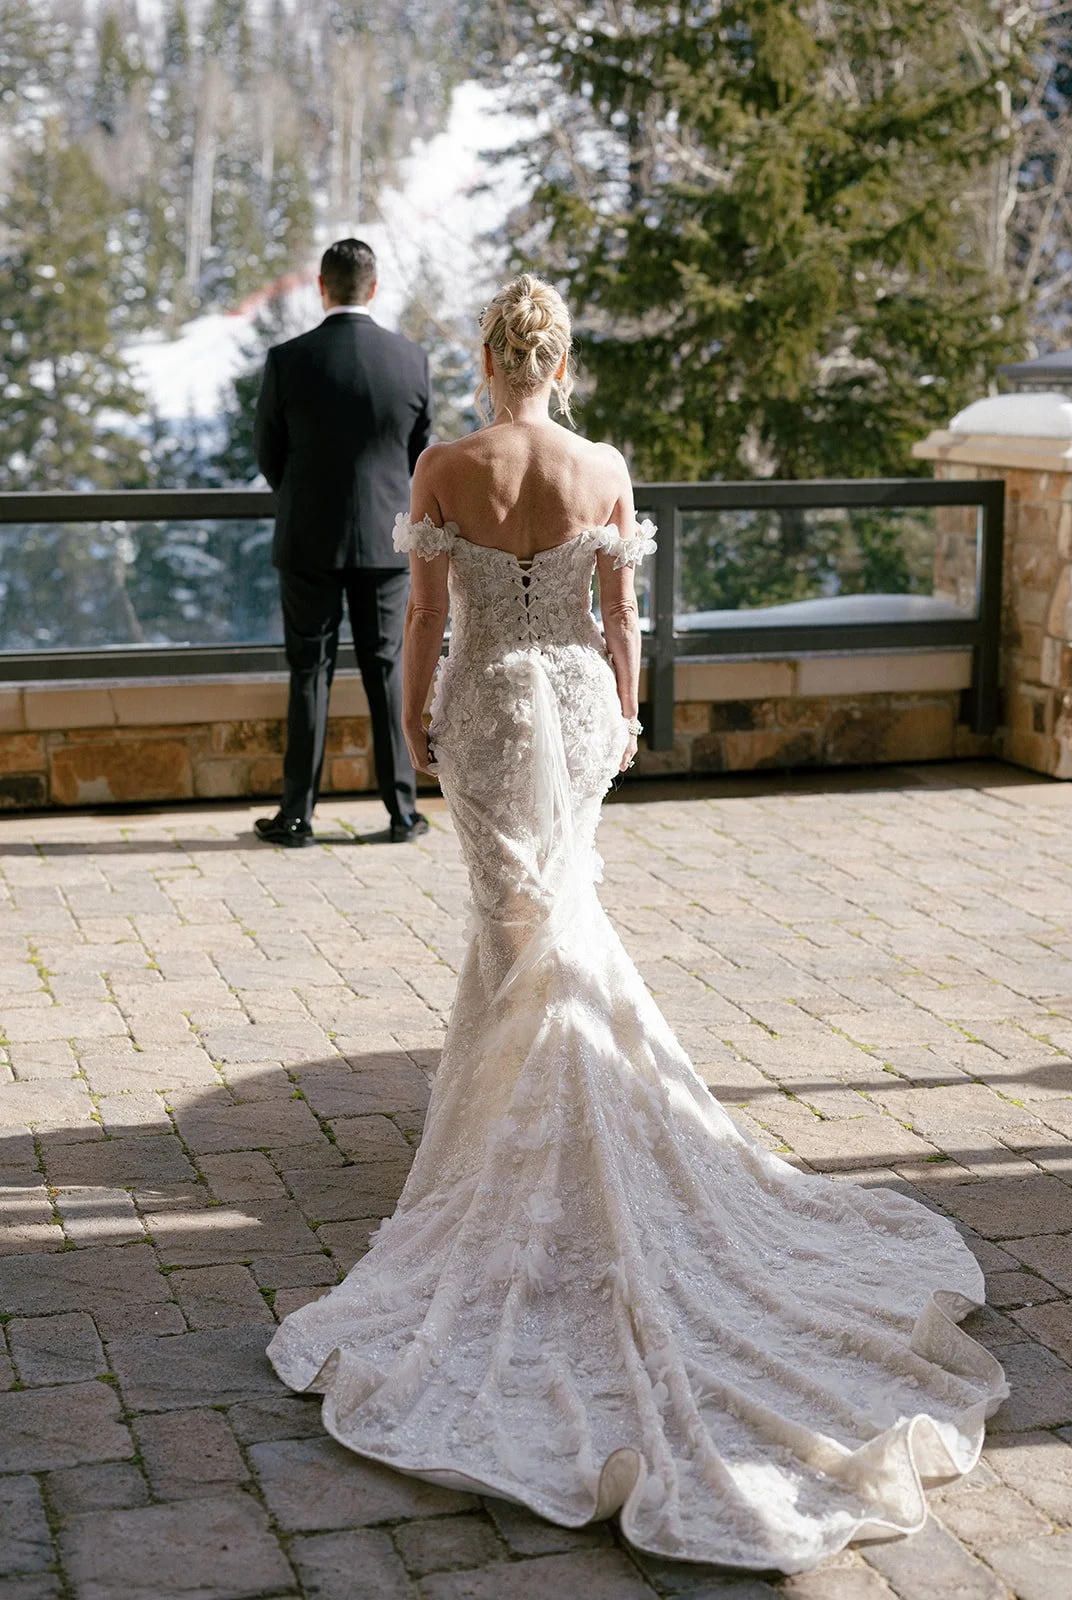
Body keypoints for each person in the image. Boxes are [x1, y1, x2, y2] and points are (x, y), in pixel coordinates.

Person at [267, 275, 1008, 1573]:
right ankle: (563, 1136)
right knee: (556, 921)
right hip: (570, 707)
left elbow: (425, 616)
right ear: (560, 363)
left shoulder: (445, 468)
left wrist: (415, 724)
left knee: (515, 934)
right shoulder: (603, 467)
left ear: (489, 359)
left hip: (487, 707)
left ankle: (537, 1158)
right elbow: (620, 624)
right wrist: (622, 718)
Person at [253, 238, 433, 847]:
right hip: (385, 545)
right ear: (373, 288)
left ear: (321, 287)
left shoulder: (287, 360)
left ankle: (296, 817)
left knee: (309, 672)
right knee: (388, 672)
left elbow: (269, 456)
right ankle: (402, 813)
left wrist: (307, 500)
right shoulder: (410, 361)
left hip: (308, 542)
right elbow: (419, 458)